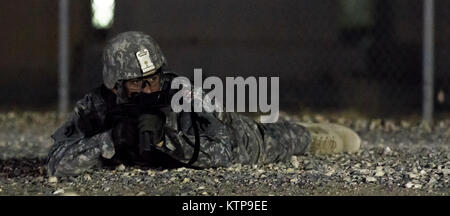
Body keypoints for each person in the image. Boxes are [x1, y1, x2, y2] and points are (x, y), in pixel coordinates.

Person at [46, 31, 360, 177]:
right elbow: (56, 163)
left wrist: (163, 140)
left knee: (277, 138)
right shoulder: (97, 105)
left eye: (154, 78)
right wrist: (111, 138)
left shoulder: (186, 95)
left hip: (239, 138)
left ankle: (309, 133)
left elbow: (223, 153)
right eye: (138, 82)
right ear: (116, 85)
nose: (149, 87)